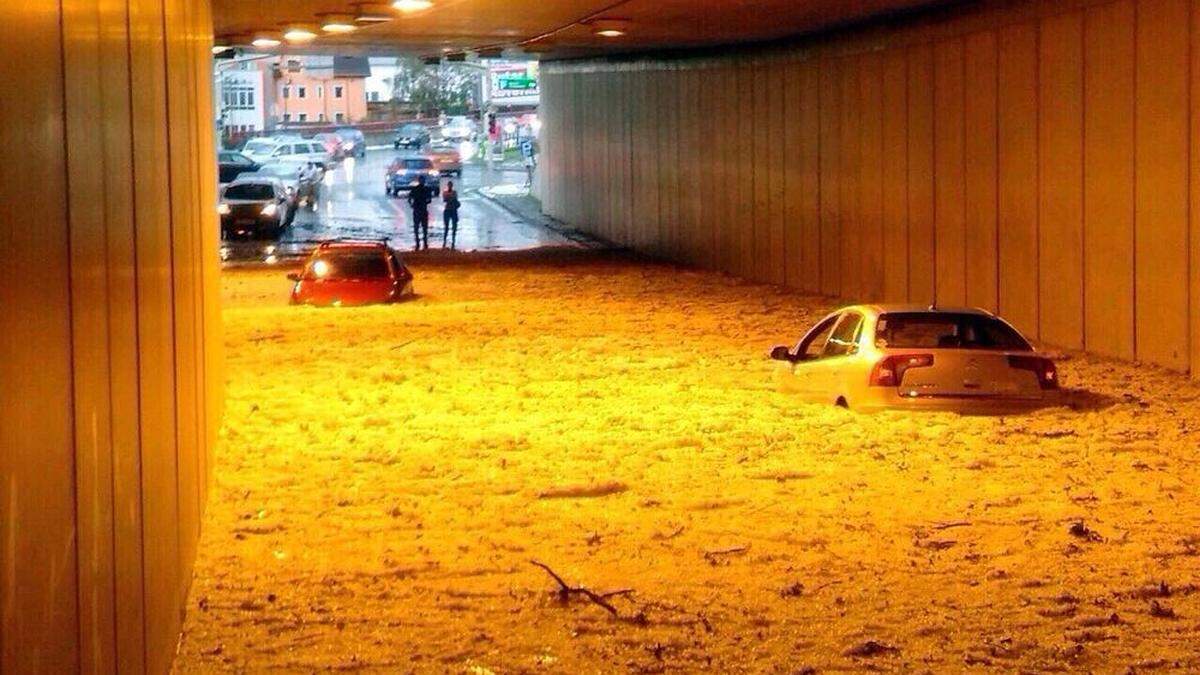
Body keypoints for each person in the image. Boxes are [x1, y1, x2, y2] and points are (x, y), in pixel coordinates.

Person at [406, 175, 434, 250]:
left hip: (418, 210)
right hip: (422, 209)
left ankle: (419, 242)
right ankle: (423, 242)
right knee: (423, 227)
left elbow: (409, 199)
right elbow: (429, 200)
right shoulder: (426, 189)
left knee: (417, 227)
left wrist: (412, 205)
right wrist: (424, 202)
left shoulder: (415, 189)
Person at [441, 180, 461, 249]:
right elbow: (446, 199)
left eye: (450, 185)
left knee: (453, 226)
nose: (450, 186)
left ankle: (451, 240)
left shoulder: (448, 193)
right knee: (447, 226)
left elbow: (447, 199)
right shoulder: (449, 193)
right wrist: (451, 199)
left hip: (451, 210)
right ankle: (447, 240)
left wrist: (449, 199)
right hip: (450, 210)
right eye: (449, 185)